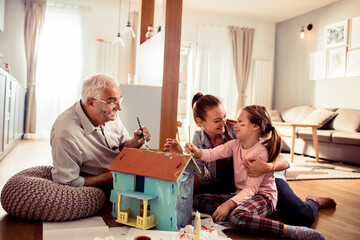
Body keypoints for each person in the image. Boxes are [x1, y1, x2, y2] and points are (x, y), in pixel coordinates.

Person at [164, 93, 336, 228]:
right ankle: (243, 214)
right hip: (234, 184)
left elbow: (283, 162)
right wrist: (182, 157)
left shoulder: (237, 130)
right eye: (217, 120)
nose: (224, 122)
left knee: (303, 215)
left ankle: (313, 201)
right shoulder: (199, 137)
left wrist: (266, 167)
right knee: (197, 198)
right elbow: (200, 178)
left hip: (267, 178)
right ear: (200, 122)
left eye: (224, 116)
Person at [185, 104, 325, 239]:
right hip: (242, 194)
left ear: (255, 126)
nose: (234, 125)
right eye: (217, 120)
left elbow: (252, 189)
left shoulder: (260, 152)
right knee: (199, 200)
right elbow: (212, 154)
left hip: (262, 196)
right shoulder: (235, 144)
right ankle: (243, 219)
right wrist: (196, 151)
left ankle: (287, 230)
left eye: (240, 122)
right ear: (201, 122)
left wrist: (227, 205)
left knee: (237, 217)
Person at [51, 73, 151, 190]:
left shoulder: (108, 114)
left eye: (119, 100)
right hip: (103, 185)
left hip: (123, 172)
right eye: (112, 101)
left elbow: (123, 144)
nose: (119, 108)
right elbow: (68, 183)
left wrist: (135, 141)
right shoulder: (66, 135)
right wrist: (109, 177)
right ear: (90, 102)